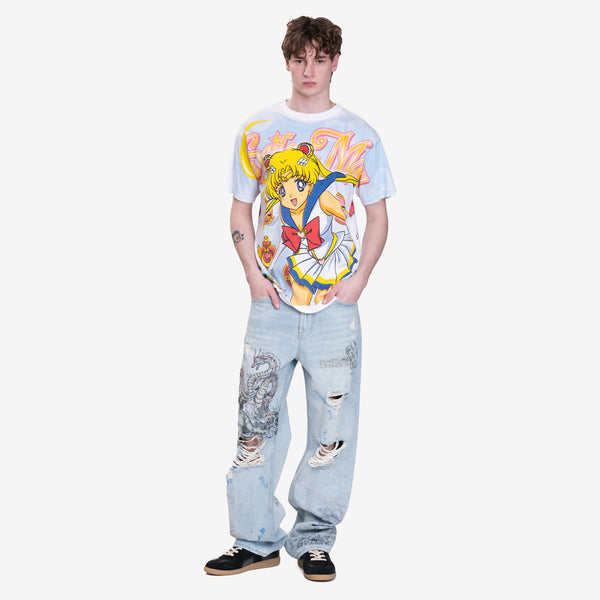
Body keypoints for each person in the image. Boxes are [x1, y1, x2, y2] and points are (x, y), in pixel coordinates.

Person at [204, 15, 395, 582]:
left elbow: (378, 216)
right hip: (271, 305)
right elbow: (240, 208)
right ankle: (253, 539)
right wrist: (251, 274)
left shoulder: (361, 136)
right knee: (255, 419)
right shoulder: (258, 130)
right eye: (299, 58)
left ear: (335, 63)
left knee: (333, 424)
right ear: (286, 61)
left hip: (336, 308)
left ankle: (314, 539)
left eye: (320, 58)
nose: (309, 69)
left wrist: (359, 280)